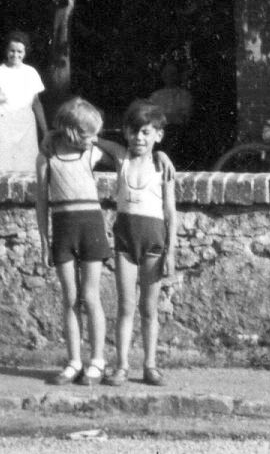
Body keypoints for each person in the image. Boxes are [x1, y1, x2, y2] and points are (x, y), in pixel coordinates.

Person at [35, 96, 111, 385]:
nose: (94, 139)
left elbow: (117, 150)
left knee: (91, 297)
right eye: (88, 133)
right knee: (70, 298)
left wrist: (51, 133)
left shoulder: (90, 152)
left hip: (91, 226)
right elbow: (41, 203)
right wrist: (44, 241)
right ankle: (73, 361)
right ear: (70, 131)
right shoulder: (47, 157)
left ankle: (98, 360)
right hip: (63, 229)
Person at [108, 99, 178, 386]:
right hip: (125, 240)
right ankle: (122, 365)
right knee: (125, 306)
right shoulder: (121, 159)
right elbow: (90, 137)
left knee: (149, 309)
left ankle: (150, 365)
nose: (139, 137)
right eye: (134, 131)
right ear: (125, 132)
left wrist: (171, 251)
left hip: (154, 242)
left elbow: (171, 212)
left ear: (158, 134)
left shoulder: (162, 168)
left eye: (147, 132)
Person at [0, 32, 47, 173]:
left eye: (19, 51)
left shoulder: (31, 73)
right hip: (5, 123)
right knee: (6, 165)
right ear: (6, 51)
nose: (15, 55)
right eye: (12, 50)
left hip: (27, 124)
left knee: (29, 166)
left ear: (25, 52)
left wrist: (45, 132)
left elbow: (37, 104)